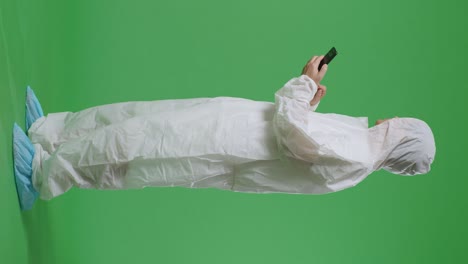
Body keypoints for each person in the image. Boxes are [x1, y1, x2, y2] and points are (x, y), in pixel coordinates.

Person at [13, 55, 436, 210]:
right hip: (231, 126)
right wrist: (309, 102)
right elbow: (302, 131)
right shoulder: (359, 142)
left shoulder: (359, 155)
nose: (392, 119)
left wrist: (304, 82)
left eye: (403, 124)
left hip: (228, 148)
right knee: (139, 119)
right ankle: (51, 131)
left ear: (403, 139)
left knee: (136, 149)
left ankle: (44, 174)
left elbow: (293, 137)